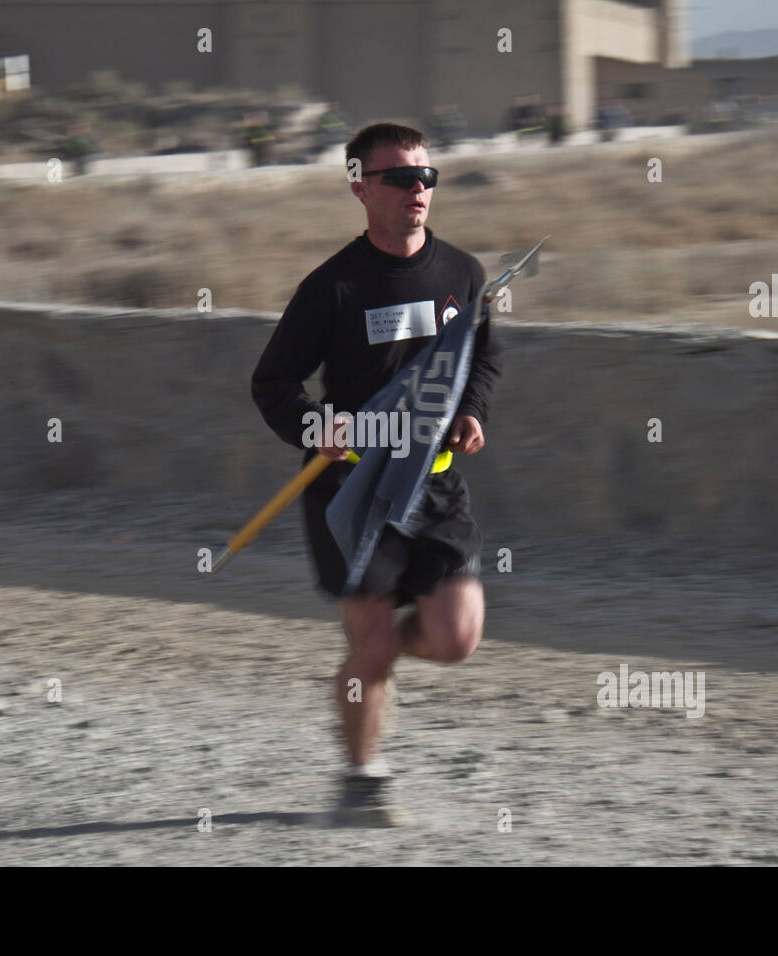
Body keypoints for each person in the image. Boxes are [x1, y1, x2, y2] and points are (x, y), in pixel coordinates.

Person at [251, 123, 501, 826]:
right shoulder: (331, 288)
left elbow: (482, 357)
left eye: (427, 176)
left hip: (436, 483)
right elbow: (273, 382)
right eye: (400, 178)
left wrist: (472, 410)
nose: (418, 189)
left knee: (455, 638)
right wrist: (312, 427)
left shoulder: (463, 273)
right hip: (352, 491)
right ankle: (361, 780)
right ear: (360, 186)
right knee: (375, 646)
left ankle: (380, 648)